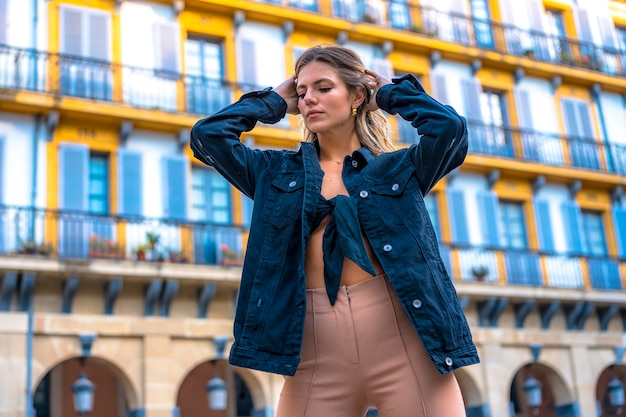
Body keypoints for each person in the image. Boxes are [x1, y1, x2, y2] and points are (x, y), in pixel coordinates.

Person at [190, 44, 479, 417]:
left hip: (405, 349)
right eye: (302, 91)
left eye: (324, 88)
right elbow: (207, 138)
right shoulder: (274, 174)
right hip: (315, 357)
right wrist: (273, 102)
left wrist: (389, 93)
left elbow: (449, 130)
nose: (309, 99)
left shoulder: (398, 170)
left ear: (357, 95)